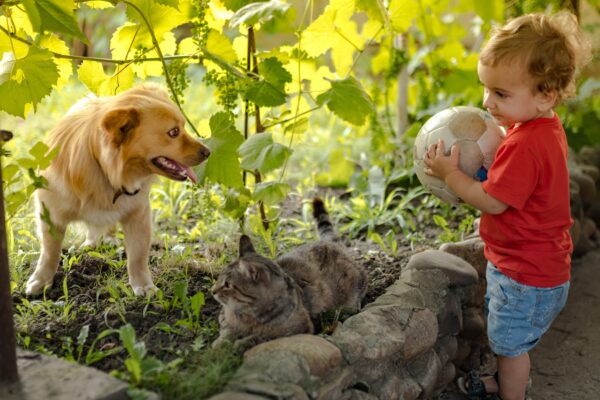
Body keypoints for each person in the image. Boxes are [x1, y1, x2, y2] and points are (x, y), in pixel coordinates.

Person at [423, 11, 591, 400]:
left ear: (545, 94)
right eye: (486, 89)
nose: (487, 102)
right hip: (538, 267)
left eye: (501, 94)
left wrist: (453, 176)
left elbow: (493, 202)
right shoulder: (543, 127)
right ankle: (503, 379)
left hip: (525, 277)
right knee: (509, 336)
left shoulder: (523, 145)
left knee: (510, 347)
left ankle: (512, 392)